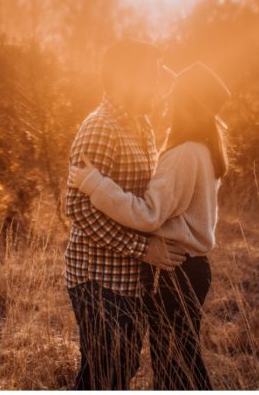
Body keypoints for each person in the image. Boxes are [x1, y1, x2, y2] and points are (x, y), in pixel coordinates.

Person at [69, 61, 231, 390]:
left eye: (173, 98)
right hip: (188, 268)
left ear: (186, 105)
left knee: (177, 365)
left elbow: (148, 215)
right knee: (177, 360)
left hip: (178, 271)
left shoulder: (185, 153)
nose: (165, 102)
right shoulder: (203, 148)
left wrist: (96, 185)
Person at [64, 39, 187, 390]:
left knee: (121, 365)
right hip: (98, 278)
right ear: (125, 78)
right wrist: (143, 249)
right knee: (106, 373)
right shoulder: (100, 127)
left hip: (129, 278)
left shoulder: (141, 123)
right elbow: (77, 208)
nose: (159, 85)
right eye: (151, 75)